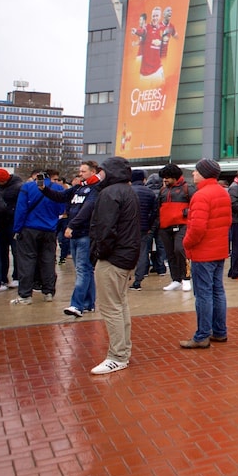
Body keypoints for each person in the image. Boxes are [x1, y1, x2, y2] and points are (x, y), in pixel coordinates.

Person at [87, 157, 141, 375]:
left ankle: (117, 355)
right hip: (126, 256)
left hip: (114, 258)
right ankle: (122, 351)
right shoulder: (128, 192)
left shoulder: (109, 194)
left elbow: (105, 230)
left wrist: (100, 253)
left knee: (111, 307)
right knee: (120, 305)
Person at [180, 159, 233, 349]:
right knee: (217, 290)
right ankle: (219, 331)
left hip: (203, 251)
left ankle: (202, 335)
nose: (193, 174)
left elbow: (197, 227)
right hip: (218, 249)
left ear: (204, 173)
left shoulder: (201, 195)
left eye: (195, 171)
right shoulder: (222, 193)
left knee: (203, 294)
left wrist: (186, 243)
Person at [39, 162, 101, 316]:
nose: (80, 173)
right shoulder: (78, 187)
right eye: (80, 171)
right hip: (75, 234)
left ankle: (77, 305)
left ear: (93, 172)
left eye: (84, 171)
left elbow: (88, 208)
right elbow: (61, 196)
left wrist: (71, 225)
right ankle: (88, 303)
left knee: (83, 270)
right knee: (85, 270)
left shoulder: (96, 189)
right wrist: (44, 189)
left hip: (85, 234)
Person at [9, 170, 66, 305]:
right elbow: (60, 210)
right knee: (48, 260)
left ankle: (25, 295)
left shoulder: (27, 187)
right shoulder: (58, 188)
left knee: (27, 261)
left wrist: (17, 229)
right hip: (50, 229)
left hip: (29, 228)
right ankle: (48, 292)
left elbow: (21, 209)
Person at [157, 164, 194, 292]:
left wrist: (186, 212)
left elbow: (196, 206)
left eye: (167, 177)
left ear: (174, 177)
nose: (165, 180)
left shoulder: (187, 189)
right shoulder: (163, 191)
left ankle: (186, 278)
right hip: (165, 226)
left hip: (182, 225)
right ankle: (176, 279)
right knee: (170, 254)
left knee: (180, 250)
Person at [0, 169, 23, 288]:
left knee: (16, 252)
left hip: (13, 223)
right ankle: (3, 278)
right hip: (2, 224)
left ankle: (16, 277)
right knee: (2, 252)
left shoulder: (19, 187)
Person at [130, 169, 157, 292]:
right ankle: (138, 280)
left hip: (127, 228)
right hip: (143, 227)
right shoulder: (149, 193)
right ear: (144, 179)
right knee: (142, 253)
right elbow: (154, 212)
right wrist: (149, 225)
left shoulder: (127, 191)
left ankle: (125, 277)